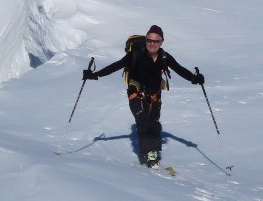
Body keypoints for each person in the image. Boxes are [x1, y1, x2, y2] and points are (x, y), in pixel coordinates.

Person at [84, 25, 204, 167]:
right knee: (143, 121)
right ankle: (150, 153)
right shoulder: (135, 54)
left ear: (161, 42)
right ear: (146, 40)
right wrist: (95, 75)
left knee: (154, 122)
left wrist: (193, 79)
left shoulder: (164, 57)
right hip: (136, 93)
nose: (152, 44)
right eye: (149, 40)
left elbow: (179, 69)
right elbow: (116, 66)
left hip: (155, 96)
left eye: (156, 41)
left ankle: (152, 149)